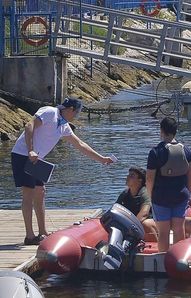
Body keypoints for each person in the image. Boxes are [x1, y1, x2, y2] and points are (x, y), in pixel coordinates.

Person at [11, 96, 115, 245]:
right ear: (70, 109)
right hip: (23, 155)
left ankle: (43, 232)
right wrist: (31, 151)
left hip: (36, 159)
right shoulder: (49, 112)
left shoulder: (63, 125)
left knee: (40, 192)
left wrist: (101, 158)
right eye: (76, 113)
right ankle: (29, 236)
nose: (76, 117)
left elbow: (80, 144)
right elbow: (29, 126)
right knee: (28, 193)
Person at [144, 116, 191, 250]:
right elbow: (190, 177)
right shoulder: (186, 150)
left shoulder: (155, 152)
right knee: (179, 229)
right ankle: (177, 258)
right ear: (176, 131)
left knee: (163, 232)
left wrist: (150, 196)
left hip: (161, 196)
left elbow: (149, 179)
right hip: (181, 195)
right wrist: (188, 194)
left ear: (161, 130)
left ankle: (162, 261)